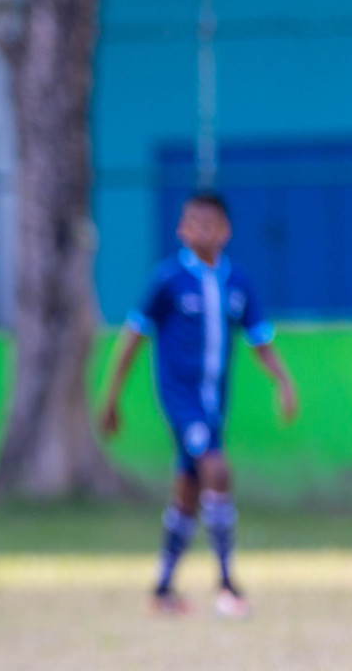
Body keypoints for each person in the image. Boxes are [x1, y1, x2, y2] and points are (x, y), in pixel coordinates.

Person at [98, 192, 298, 619]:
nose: (202, 231)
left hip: (213, 402)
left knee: (189, 490)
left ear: (225, 230)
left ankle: (163, 588)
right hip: (180, 398)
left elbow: (259, 340)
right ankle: (227, 583)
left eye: (211, 223)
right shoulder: (167, 281)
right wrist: (111, 395)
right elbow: (133, 338)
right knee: (217, 468)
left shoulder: (238, 282)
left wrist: (283, 382)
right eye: (194, 223)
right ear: (181, 230)